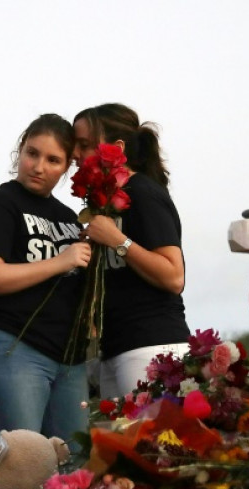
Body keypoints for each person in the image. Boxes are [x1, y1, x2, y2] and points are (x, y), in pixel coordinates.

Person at [0, 113, 92, 453]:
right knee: (24, 468)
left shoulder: (70, 218)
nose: (39, 166)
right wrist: (59, 262)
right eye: (32, 153)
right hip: (13, 348)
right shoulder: (0, 204)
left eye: (53, 160)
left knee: (74, 469)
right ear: (19, 151)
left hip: (69, 359)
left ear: (67, 168)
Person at [73, 103, 189, 400]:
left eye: (84, 145)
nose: (75, 154)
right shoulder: (107, 202)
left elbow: (174, 276)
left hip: (152, 346)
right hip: (116, 349)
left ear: (117, 147)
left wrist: (117, 240)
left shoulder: (142, 192)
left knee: (151, 446)